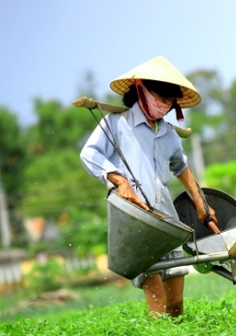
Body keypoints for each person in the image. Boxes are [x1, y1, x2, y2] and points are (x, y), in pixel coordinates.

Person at [80, 56, 219, 318]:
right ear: (141, 89)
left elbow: (181, 166)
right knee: (157, 304)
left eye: (169, 102)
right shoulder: (115, 124)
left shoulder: (168, 133)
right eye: (160, 98)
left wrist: (200, 201)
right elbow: (89, 154)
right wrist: (119, 181)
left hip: (166, 222)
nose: (164, 106)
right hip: (136, 222)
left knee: (176, 303)